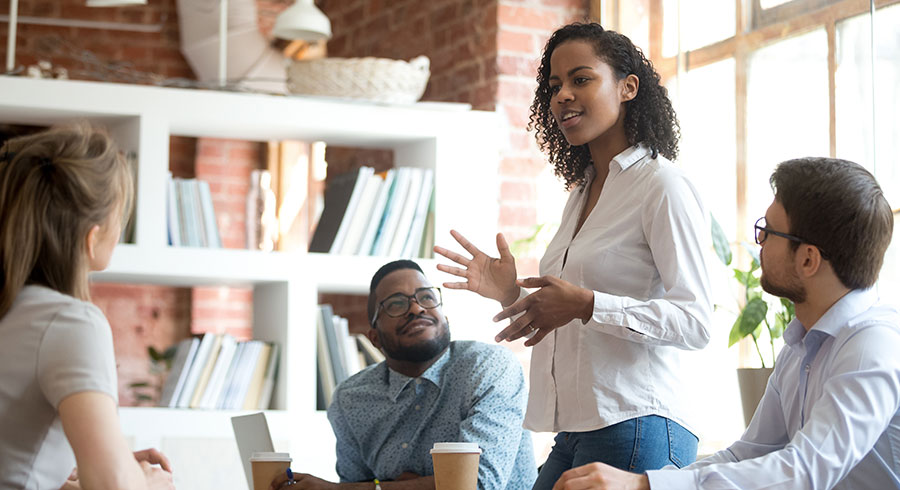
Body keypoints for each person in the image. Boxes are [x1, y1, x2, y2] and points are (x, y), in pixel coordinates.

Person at [434, 22, 712, 488]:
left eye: (581, 79)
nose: (562, 95)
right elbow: (570, 328)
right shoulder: (582, 192)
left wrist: (587, 303)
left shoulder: (661, 186)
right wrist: (510, 296)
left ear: (628, 87)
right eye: (554, 86)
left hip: (639, 421)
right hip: (578, 429)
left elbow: (696, 322)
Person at [552, 157, 899, 490]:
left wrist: (644, 484)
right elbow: (746, 453)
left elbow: (805, 471)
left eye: (768, 232)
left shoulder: (872, 345)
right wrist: (652, 484)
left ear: (808, 259)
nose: (757, 242)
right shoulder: (801, 346)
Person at [0, 124, 175, 490]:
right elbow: (113, 486)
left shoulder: (17, 311)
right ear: (92, 238)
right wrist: (150, 484)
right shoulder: (69, 322)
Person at [271, 260, 537, 490]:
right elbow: (355, 485)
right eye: (396, 304)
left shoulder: (488, 367)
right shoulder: (350, 400)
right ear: (374, 338)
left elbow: (477, 484)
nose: (416, 308)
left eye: (427, 297)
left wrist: (380, 486)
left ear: (446, 319)